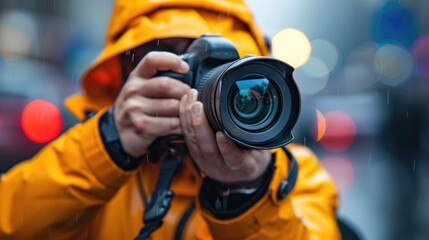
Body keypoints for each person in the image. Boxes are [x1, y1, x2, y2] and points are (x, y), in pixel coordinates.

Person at [0, 0, 341, 239]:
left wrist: (247, 190)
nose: (194, 84)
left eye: (213, 66)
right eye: (170, 63)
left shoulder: (295, 177)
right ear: (123, 73)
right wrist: (108, 144)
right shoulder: (89, 164)